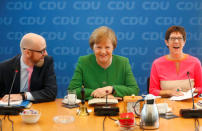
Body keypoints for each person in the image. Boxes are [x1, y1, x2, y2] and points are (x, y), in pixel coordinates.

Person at [68, 26, 139, 100]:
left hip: (117, 108)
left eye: (107, 47)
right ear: (93, 47)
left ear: (113, 47)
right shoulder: (83, 61)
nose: (103, 52)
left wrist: (111, 89)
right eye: (98, 47)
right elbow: (72, 90)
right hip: (91, 108)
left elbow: (134, 90)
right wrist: (101, 95)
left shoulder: (123, 62)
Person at [0, 33, 57, 103]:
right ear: (27, 53)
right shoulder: (4, 68)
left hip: (38, 108)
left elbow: (51, 92)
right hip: (13, 110)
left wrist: (23, 96)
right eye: (42, 51)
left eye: (45, 49)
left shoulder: (47, 62)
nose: (46, 54)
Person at [149, 25, 202, 97]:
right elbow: (152, 90)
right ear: (166, 42)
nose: (176, 41)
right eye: (173, 38)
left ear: (184, 42)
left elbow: (200, 88)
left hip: (190, 105)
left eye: (180, 38)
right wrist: (169, 92)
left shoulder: (195, 62)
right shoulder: (157, 63)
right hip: (166, 105)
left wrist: (190, 92)